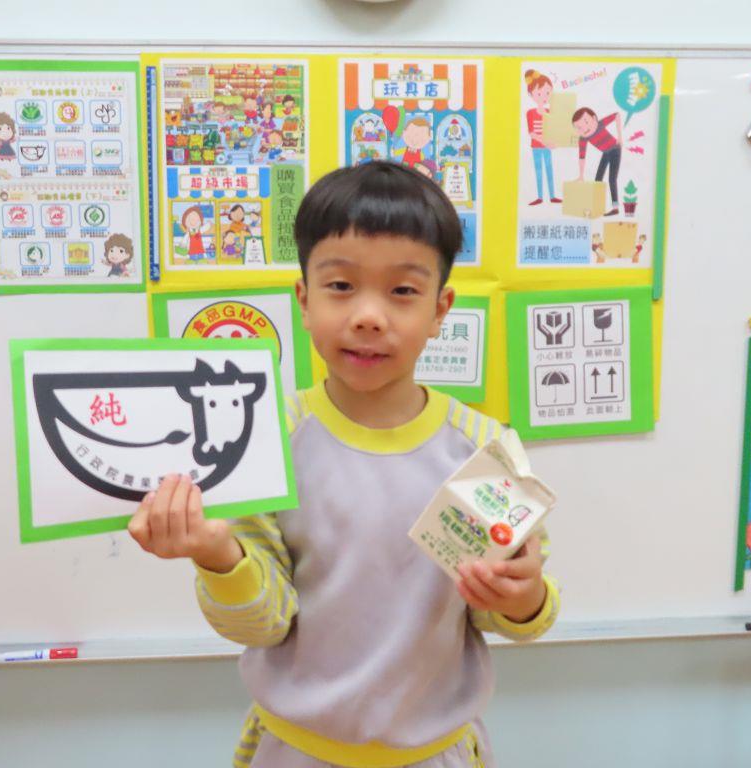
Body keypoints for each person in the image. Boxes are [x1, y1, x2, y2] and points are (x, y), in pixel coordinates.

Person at [128, 161, 560, 768]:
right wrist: (217, 555)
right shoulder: (266, 439)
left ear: (441, 310)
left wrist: (524, 595)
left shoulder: (483, 449)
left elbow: (511, 616)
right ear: (304, 301)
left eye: (403, 291)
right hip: (295, 751)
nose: (368, 315)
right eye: (340, 286)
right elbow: (261, 624)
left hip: (435, 753)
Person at [573, 107, 625, 217]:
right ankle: (597, 206)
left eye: (586, 122)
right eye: (579, 127)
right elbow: (582, 157)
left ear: (594, 118)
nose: (584, 128)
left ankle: (615, 208)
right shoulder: (583, 139)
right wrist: (581, 175)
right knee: (598, 180)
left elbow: (616, 115)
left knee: (612, 179)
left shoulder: (600, 124)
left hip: (615, 149)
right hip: (606, 153)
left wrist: (620, 137)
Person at [523, 70, 561, 206]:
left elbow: (554, 129)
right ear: (531, 94)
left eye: (547, 93)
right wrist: (545, 141)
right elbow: (532, 133)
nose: (544, 97)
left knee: (549, 171)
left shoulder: (550, 112)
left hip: (547, 147)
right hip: (537, 148)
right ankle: (540, 197)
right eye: (539, 94)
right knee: (539, 171)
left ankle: (552, 196)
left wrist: (555, 142)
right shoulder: (530, 112)